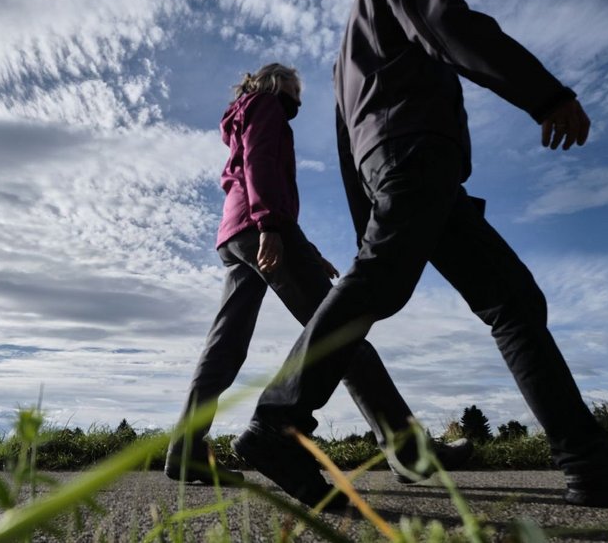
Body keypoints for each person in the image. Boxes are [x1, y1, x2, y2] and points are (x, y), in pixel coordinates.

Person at [231, 0, 608, 508]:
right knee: (388, 285)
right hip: (419, 157)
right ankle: (277, 422)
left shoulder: (346, 52)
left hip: (410, 174)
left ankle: (587, 459)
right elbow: (451, 24)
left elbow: (349, 149)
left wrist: (367, 221)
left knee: (511, 299)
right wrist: (544, 94)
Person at [166, 63, 472, 503]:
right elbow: (259, 163)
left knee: (224, 346)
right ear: (275, 81)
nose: (299, 96)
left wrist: (304, 248)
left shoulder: (242, 114)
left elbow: (251, 174)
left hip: (233, 236)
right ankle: (408, 450)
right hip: (260, 227)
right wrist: (271, 226)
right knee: (342, 330)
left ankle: (185, 450)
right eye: (295, 86)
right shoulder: (266, 105)